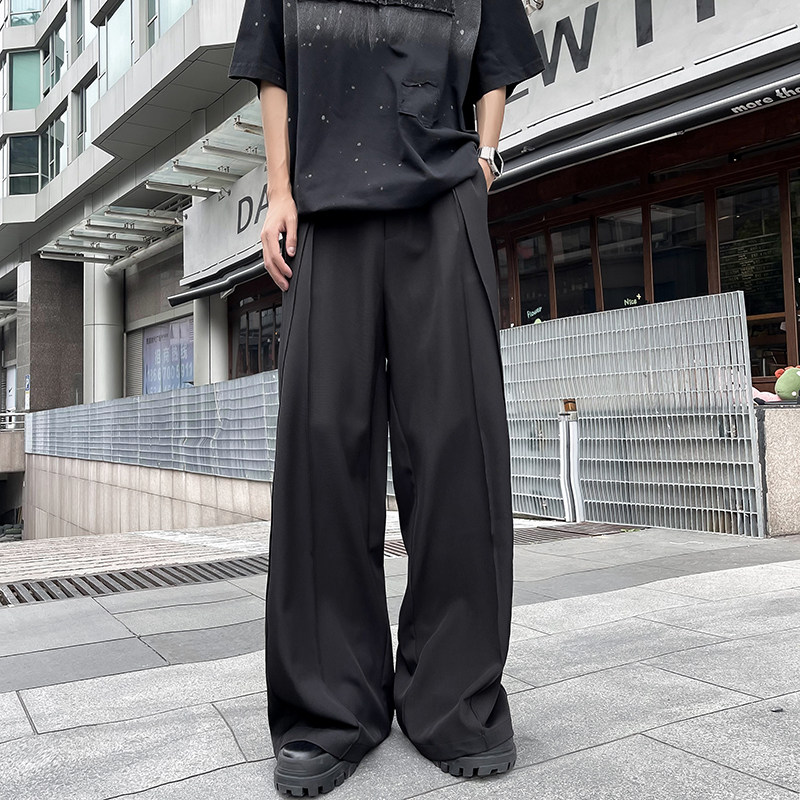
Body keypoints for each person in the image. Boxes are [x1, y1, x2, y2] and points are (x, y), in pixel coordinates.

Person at [228, 0, 544, 795]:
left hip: (443, 198)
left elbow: (498, 55)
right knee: (322, 447)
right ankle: (329, 708)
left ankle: (456, 699)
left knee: (457, 443)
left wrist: (486, 156)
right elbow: (271, 64)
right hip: (324, 203)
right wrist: (278, 190)